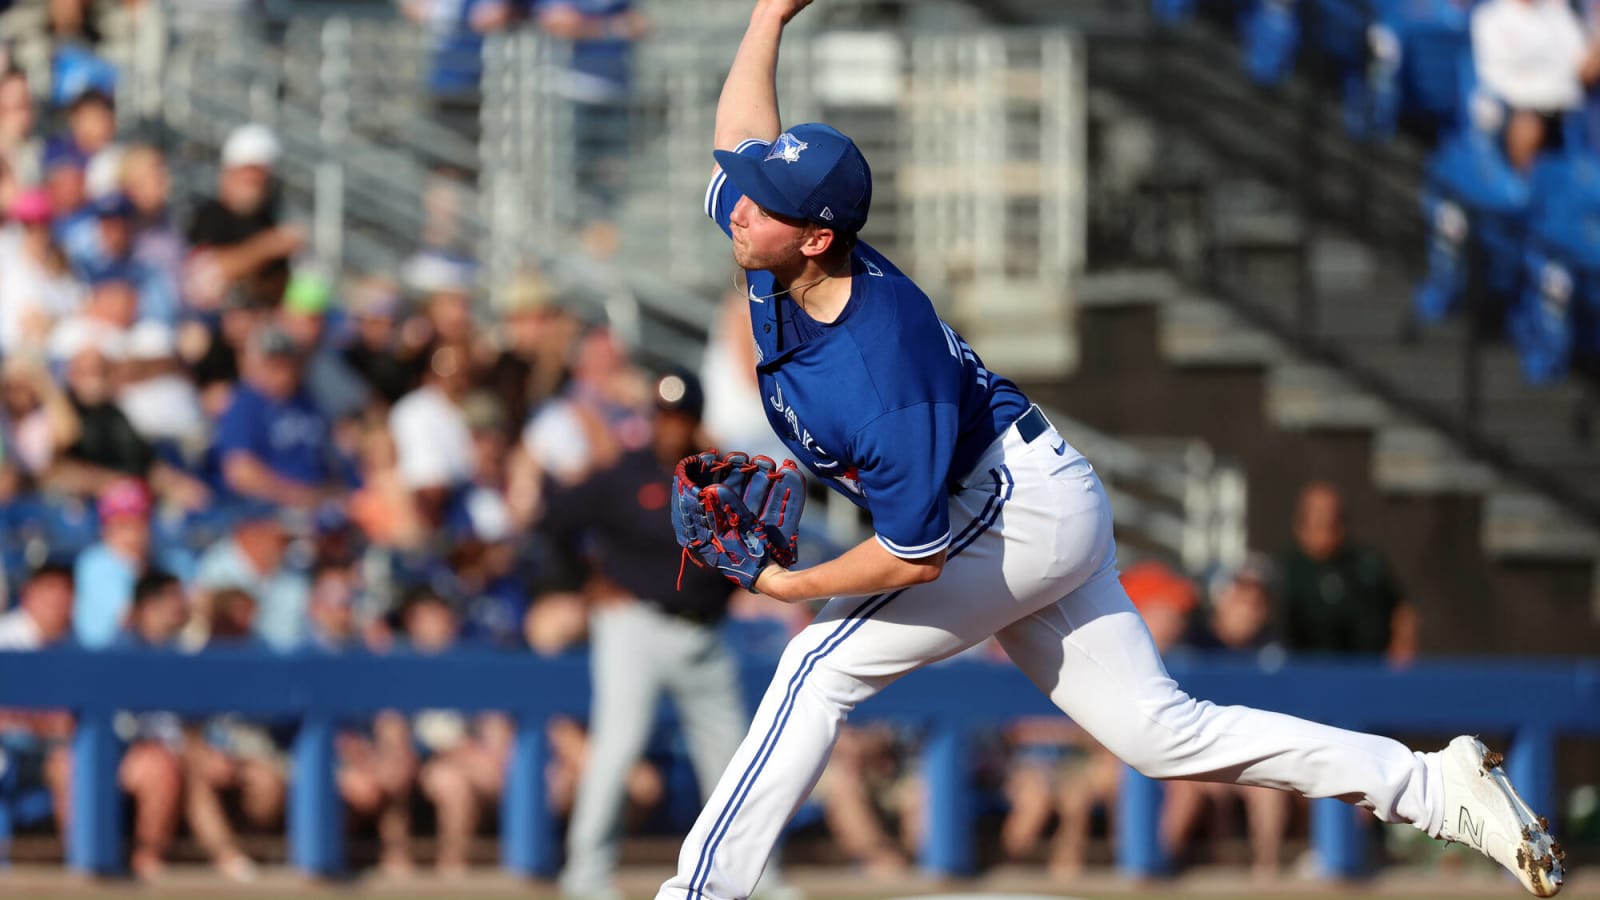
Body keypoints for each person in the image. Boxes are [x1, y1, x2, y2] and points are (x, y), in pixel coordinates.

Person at [654, 3, 1565, 898]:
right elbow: (741, 132)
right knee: (1160, 734)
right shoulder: (782, 251)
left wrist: (787, 585)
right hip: (1028, 493)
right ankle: (1433, 787)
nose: (738, 209)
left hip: (1008, 508)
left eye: (762, 203)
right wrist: (769, 17)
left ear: (815, 237)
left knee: (816, 667)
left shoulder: (883, 372)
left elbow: (914, 556)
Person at [546, 372, 783, 899]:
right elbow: (555, 518)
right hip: (635, 628)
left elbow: (757, 538)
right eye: (663, 416)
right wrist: (585, 579)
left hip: (706, 634)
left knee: (732, 760)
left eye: (681, 417)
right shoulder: (624, 476)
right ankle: (585, 879)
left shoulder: (722, 480)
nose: (670, 427)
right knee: (618, 749)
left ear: (696, 421)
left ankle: (756, 881)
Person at [1278, 482, 1416, 665]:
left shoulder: (1367, 563)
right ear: (1301, 521)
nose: (1326, 518)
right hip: (1309, 676)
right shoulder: (1284, 570)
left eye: (1333, 512)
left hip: (1370, 673)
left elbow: (1402, 610)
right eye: (1318, 512)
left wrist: (1401, 650)